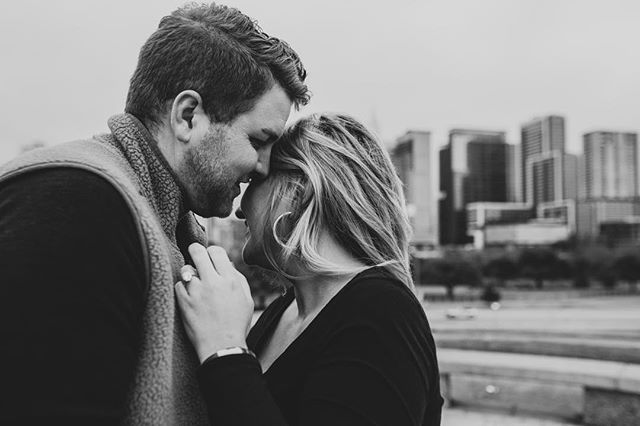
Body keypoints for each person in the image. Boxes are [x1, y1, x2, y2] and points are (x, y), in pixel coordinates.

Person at [0, 3, 309, 425]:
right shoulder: (76, 202)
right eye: (258, 140)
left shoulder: (163, 221)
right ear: (188, 116)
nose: (265, 167)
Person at [176, 114, 444, 425]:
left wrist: (224, 350)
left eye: (256, 181)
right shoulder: (282, 311)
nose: (238, 207)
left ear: (298, 189)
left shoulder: (383, 313)